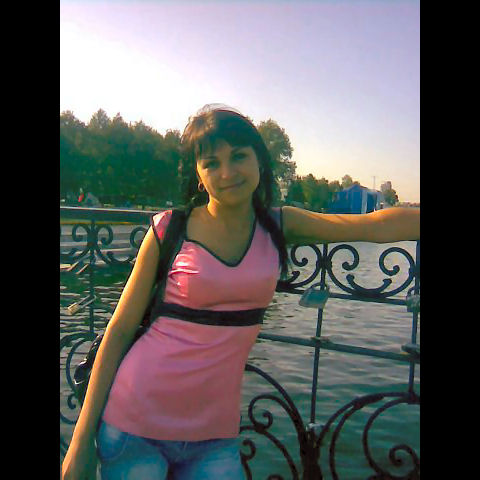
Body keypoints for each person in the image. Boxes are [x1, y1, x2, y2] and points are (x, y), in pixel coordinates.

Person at [61, 103, 420, 480]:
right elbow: (119, 331)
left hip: (214, 437)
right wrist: (81, 442)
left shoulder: (279, 223)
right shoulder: (169, 229)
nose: (227, 172)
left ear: (260, 160)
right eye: (211, 163)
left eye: (238, 156)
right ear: (199, 175)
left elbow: (370, 226)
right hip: (134, 423)